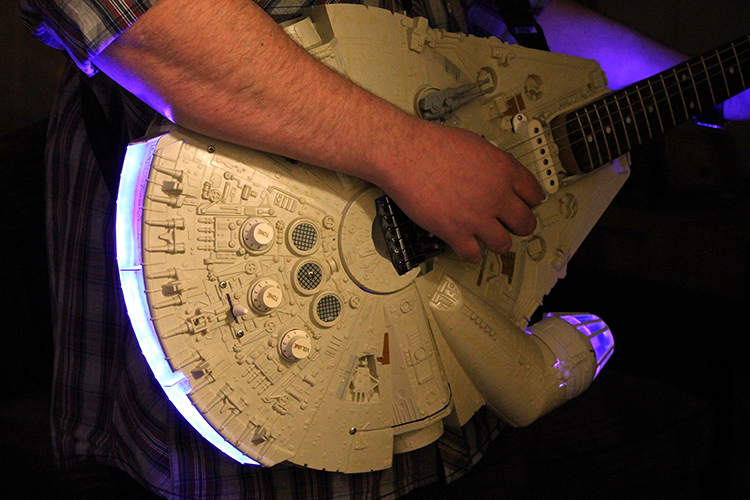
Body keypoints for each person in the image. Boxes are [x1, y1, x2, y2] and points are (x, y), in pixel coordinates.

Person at [18, 0, 748, 498]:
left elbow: (506, 21)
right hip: (239, 435)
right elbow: (142, 22)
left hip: (457, 417)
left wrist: (712, 84)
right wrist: (406, 152)